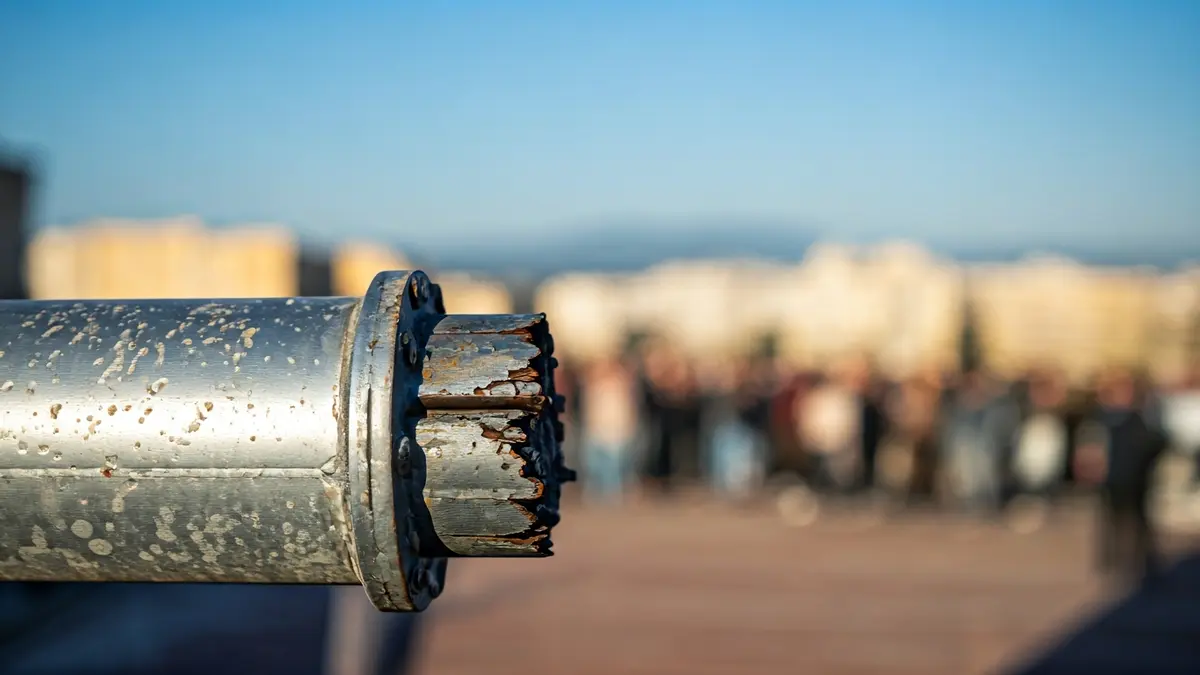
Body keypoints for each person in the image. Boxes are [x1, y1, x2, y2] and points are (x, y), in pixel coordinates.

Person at [1075, 367, 1169, 586]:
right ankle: (1111, 559)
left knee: (1139, 520)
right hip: (1112, 477)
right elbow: (1089, 447)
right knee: (1111, 520)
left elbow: (1157, 443)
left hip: (1137, 477)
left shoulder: (1141, 417)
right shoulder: (1101, 418)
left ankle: (1145, 560)